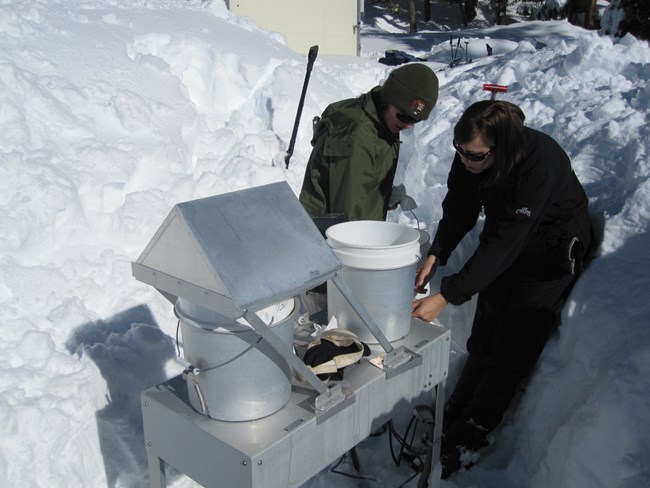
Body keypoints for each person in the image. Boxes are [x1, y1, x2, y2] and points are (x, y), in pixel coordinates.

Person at [412, 100, 595, 478]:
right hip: (507, 244)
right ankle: (460, 404)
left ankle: (473, 430)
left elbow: (504, 245)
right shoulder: (471, 156)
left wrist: (446, 296)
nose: (464, 160)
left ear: (502, 148)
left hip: (549, 256)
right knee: (486, 329)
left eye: (474, 155)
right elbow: (460, 207)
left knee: (512, 345)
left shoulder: (539, 162)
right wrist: (438, 253)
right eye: (459, 151)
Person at [299, 63, 439, 222]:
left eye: (416, 120)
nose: (408, 125)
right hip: (327, 237)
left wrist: (382, 195)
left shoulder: (381, 120)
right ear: (389, 99)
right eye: (404, 116)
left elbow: (355, 183)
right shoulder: (359, 138)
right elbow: (347, 222)